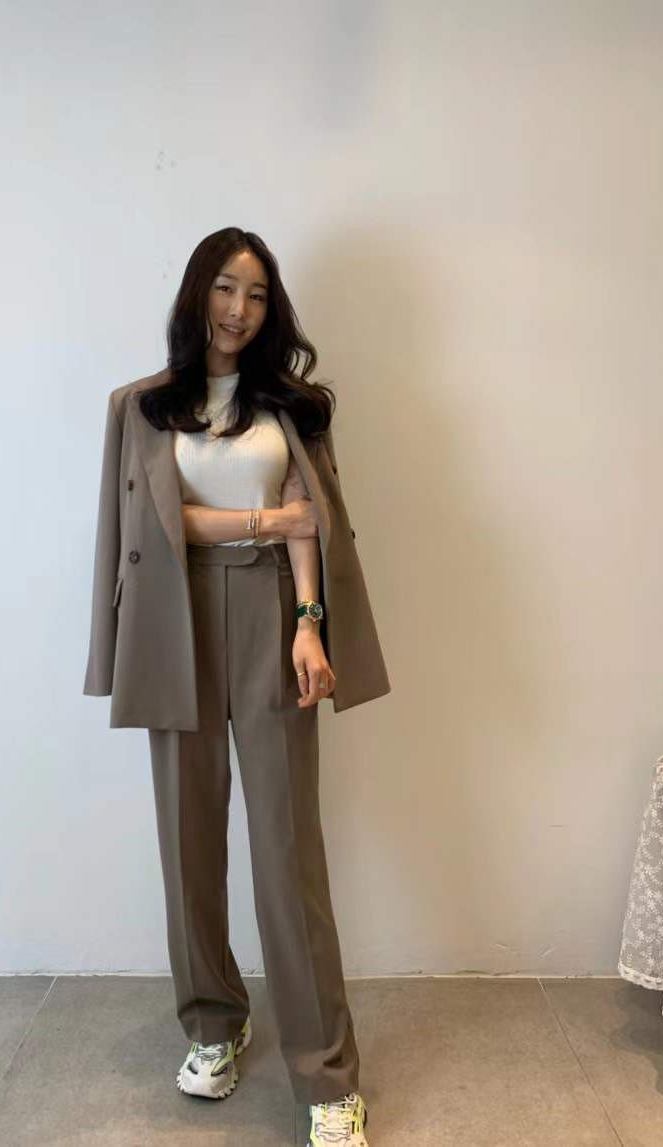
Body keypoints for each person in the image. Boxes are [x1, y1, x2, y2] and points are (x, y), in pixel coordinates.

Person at [83, 227, 391, 1147]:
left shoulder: (291, 407)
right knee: (187, 837)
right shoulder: (139, 407)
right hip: (170, 617)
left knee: (287, 849)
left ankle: (327, 1076)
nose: (239, 310)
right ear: (197, 294)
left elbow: (310, 522)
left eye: (256, 295)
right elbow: (146, 526)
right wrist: (256, 519)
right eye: (225, 288)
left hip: (270, 609)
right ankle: (214, 1024)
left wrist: (309, 623)